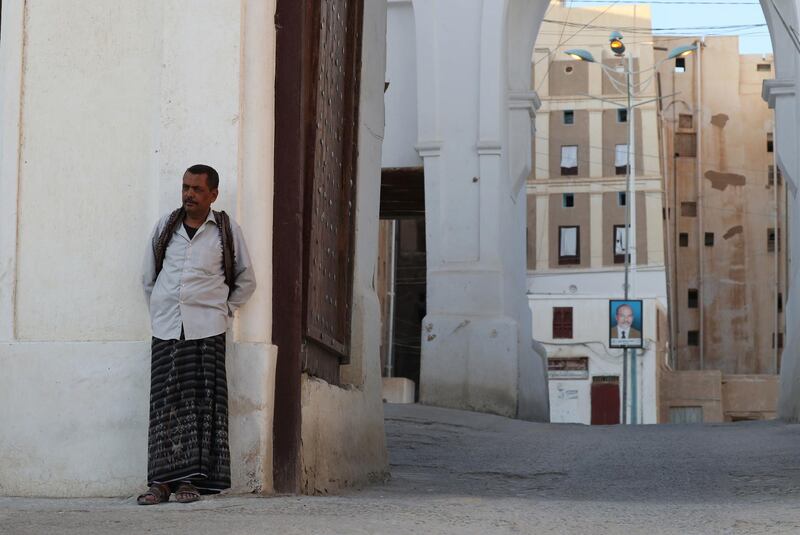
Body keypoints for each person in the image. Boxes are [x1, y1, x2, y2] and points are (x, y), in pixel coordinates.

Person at [138, 164, 256, 504]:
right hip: (166, 329)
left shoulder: (225, 230)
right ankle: (160, 483)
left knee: (201, 407)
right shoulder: (166, 226)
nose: (189, 193)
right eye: (186, 187)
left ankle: (192, 482)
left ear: (213, 195)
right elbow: (148, 277)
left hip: (207, 329)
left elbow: (247, 279)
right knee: (163, 407)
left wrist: (224, 309)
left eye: (197, 189)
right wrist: (162, 308)